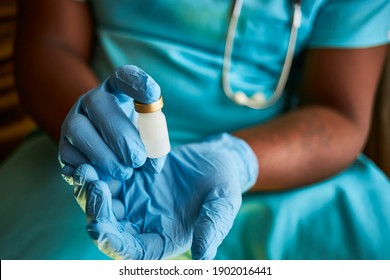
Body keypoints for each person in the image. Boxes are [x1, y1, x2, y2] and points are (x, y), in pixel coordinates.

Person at [12, 0, 390, 260]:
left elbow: (338, 110)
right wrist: (92, 124)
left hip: (282, 159)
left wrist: (237, 159)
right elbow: (50, 43)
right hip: (100, 166)